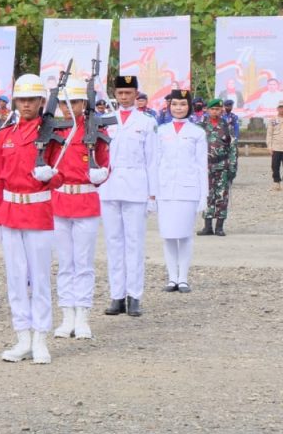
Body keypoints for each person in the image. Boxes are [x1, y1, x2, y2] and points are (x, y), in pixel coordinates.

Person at [0, 74, 63, 364]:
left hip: (38, 211)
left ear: (42, 102)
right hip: (10, 212)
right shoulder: (5, 135)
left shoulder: (52, 134)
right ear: (15, 101)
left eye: (32, 99)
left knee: (40, 278)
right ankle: (22, 336)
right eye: (22, 99)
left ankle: (41, 337)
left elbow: (63, 175)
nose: (27, 104)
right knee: (16, 278)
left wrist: (52, 176)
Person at [51, 79, 110, 340]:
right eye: (63, 103)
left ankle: (83, 315)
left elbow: (106, 163)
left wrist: (101, 174)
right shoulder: (55, 130)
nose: (67, 108)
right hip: (60, 201)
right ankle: (67, 315)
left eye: (73, 102)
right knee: (65, 263)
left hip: (85, 200)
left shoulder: (93, 129)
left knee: (83, 263)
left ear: (84, 103)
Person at [99, 74, 158, 318]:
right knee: (113, 243)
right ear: (115, 94)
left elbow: (153, 160)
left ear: (136, 94)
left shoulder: (146, 122)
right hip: (109, 186)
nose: (124, 97)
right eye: (120, 93)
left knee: (134, 244)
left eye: (128, 93)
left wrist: (152, 195)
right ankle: (117, 296)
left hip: (136, 187)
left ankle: (134, 296)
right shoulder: (104, 120)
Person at [155, 90, 207, 293]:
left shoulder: (197, 132)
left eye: (183, 104)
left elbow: (202, 165)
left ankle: (183, 277)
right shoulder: (160, 131)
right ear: (169, 106)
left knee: (185, 235)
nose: (178, 108)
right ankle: (172, 278)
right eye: (175, 104)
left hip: (188, 190)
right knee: (168, 235)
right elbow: (155, 162)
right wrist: (152, 192)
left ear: (189, 106)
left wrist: (204, 195)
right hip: (165, 189)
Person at [197, 99, 237, 237]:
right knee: (207, 195)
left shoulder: (227, 127)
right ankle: (207, 226)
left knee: (221, 196)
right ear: (207, 110)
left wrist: (232, 168)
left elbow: (232, 149)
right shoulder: (200, 127)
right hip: (205, 166)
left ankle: (219, 227)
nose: (215, 111)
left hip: (222, 165)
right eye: (212, 109)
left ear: (221, 111)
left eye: (218, 109)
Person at [267, 102, 283, 191]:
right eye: (280, 107)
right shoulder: (273, 120)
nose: (282, 109)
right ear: (277, 109)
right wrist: (269, 146)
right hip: (276, 147)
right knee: (275, 166)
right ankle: (276, 182)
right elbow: (269, 134)